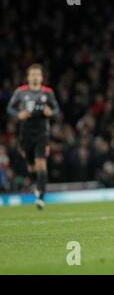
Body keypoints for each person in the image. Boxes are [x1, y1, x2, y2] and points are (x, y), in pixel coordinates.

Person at [7, 64, 60, 209]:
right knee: (31, 167)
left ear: (42, 77)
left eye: (38, 74)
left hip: (42, 133)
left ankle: (41, 197)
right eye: (33, 74)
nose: (35, 77)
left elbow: (56, 110)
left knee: (41, 163)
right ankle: (35, 183)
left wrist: (51, 112)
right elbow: (9, 108)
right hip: (26, 134)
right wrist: (18, 114)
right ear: (28, 77)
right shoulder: (21, 92)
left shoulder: (48, 92)